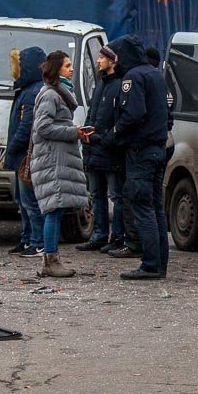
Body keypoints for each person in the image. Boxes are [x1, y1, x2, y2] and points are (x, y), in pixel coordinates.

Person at [107, 34, 171, 280]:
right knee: (155, 208)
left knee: (142, 207)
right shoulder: (156, 75)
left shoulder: (133, 77)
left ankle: (150, 264)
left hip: (140, 151)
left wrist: (114, 132)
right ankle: (159, 263)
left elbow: (133, 113)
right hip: (158, 148)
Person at [30, 50, 89, 278]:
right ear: (56, 69)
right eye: (67, 66)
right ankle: (50, 260)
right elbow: (42, 127)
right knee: (53, 210)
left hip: (57, 158)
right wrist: (73, 132)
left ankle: (52, 259)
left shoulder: (59, 93)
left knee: (56, 208)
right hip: (52, 160)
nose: (71, 69)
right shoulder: (50, 95)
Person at [76, 45, 126, 252]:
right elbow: (92, 113)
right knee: (97, 195)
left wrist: (104, 138)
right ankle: (99, 235)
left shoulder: (119, 86)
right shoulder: (100, 85)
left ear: (112, 61)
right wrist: (86, 132)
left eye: (102, 57)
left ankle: (118, 236)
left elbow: (120, 119)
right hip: (95, 149)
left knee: (115, 195)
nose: (98, 61)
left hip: (110, 150)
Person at [5, 46, 48, 257]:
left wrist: (12, 148)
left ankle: (37, 241)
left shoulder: (32, 92)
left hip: (26, 155)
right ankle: (27, 238)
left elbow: (26, 126)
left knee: (30, 201)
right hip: (23, 155)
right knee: (23, 202)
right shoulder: (26, 89)